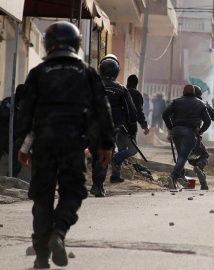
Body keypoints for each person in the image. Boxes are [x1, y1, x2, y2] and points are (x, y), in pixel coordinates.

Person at [16, 21, 114, 269]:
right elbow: (102, 110)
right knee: (74, 190)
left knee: (42, 196)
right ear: (76, 45)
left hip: (43, 143)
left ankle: (41, 257)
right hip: (73, 142)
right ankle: (58, 233)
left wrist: (23, 145)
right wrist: (106, 144)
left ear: (48, 45)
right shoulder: (87, 72)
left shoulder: (38, 72)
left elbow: (25, 113)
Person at [89, 54, 137, 197]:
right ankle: (97, 185)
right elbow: (132, 113)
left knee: (96, 155)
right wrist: (132, 132)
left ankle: (97, 184)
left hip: (91, 128)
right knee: (104, 157)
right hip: (110, 129)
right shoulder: (121, 89)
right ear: (117, 73)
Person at [162, 85, 211, 191]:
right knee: (183, 157)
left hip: (176, 131)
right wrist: (201, 130)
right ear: (194, 93)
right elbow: (208, 121)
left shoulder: (176, 101)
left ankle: (180, 177)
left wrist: (171, 128)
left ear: (183, 92)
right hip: (190, 132)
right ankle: (174, 177)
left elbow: (165, 114)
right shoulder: (200, 103)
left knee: (181, 156)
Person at [110, 74, 150, 182]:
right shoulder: (136, 94)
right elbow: (138, 112)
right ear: (136, 84)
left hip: (118, 126)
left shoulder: (120, 91)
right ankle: (115, 158)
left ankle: (115, 176)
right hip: (129, 127)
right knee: (132, 150)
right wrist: (145, 126)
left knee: (122, 150)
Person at [179, 85, 214, 190]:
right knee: (203, 157)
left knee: (184, 159)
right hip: (194, 136)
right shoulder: (201, 104)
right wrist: (209, 108)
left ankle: (195, 182)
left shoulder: (180, 103)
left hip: (180, 136)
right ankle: (200, 173)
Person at [0, 85, 26, 177]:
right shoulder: (9, 102)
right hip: (2, 135)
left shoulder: (25, 104)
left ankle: (10, 180)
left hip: (14, 138)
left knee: (18, 161)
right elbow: (5, 115)